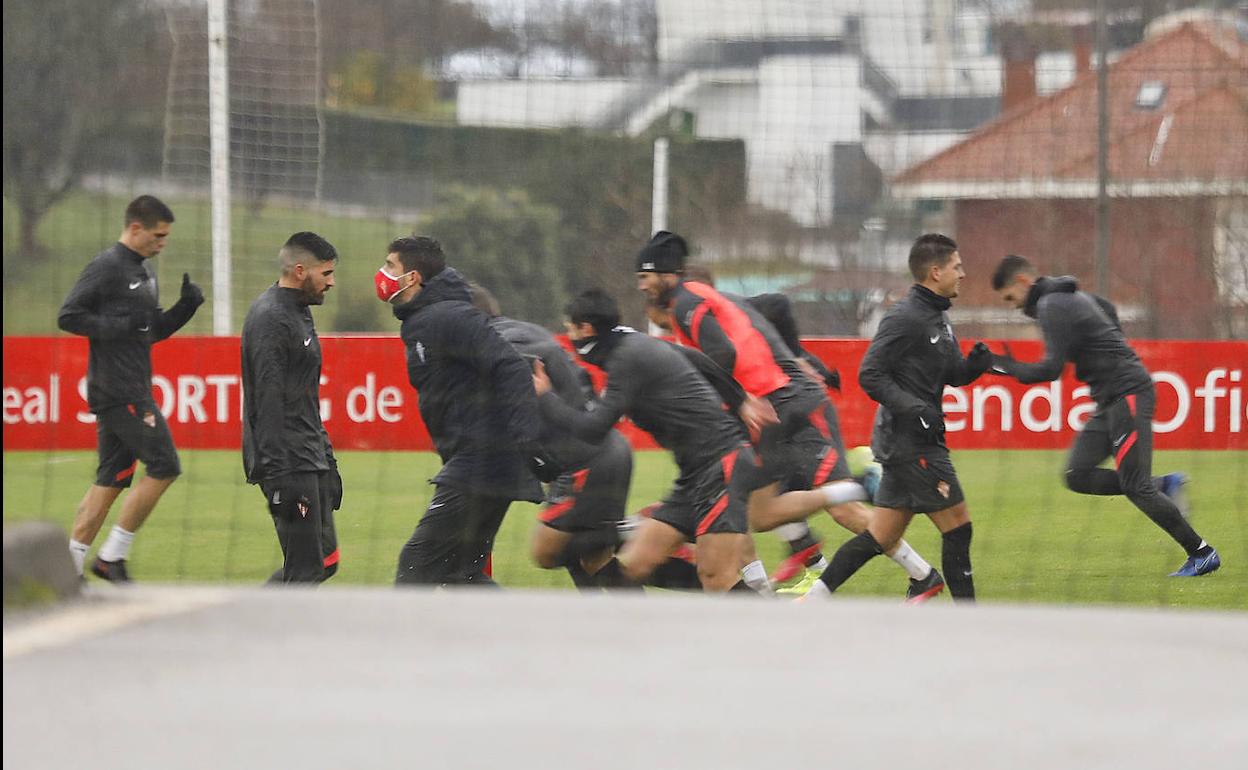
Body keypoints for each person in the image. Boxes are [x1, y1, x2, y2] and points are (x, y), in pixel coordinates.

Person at [637, 232, 943, 601]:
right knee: (753, 510)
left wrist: (750, 391)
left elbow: (734, 346)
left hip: (785, 403)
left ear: (666, 275)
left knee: (834, 510)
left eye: (645, 278)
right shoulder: (709, 305)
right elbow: (763, 323)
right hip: (779, 405)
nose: (642, 290)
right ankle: (768, 586)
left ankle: (872, 513)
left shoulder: (689, 305)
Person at [989, 255, 1220, 577]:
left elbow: (1051, 369)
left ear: (1024, 282)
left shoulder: (1051, 305)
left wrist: (1003, 366)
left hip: (1128, 394)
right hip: (1109, 400)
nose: (1014, 307)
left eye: (1011, 299)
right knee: (1076, 473)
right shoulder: (1072, 296)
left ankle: (1202, 552)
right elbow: (1107, 310)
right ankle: (1165, 484)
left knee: (1136, 486)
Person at [804, 233, 993, 602]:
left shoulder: (937, 316)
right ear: (935, 272)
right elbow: (870, 374)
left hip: (911, 443)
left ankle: (813, 601)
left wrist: (973, 367)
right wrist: (916, 409)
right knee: (958, 528)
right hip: (913, 444)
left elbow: (951, 373)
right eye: (957, 267)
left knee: (880, 536)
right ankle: (972, 621)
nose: (964, 274)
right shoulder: (904, 317)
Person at [535, 289, 761, 592]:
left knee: (716, 576)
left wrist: (545, 398)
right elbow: (692, 356)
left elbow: (594, 429)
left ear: (586, 329)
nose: (568, 335)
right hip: (695, 475)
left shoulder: (624, 359)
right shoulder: (632, 342)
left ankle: (777, 626)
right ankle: (645, 634)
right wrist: (740, 400)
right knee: (635, 565)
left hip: (721, 466)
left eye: (570, 327)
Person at [378, 236, 546, 586]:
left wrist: (526, 439)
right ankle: (525, 637)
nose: (381, 273)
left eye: (390, 266)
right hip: (481, 460)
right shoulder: (425, 318)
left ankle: (396, 640)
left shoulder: (449, 316)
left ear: (412, 278)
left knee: (416, 562)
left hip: (481, 461)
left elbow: (512, 367)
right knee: (460, 574)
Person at [57, 195, 204, 582]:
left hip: (132, 387)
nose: (162, 244)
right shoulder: (106, 267)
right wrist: (119, 327)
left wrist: (184, 309)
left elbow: (149, 332)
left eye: (166, 237)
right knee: (165, 464)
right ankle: (112, 557)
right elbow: (69, 316)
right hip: (118, 391)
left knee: (111, 479)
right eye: (158, 236)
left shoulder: (147, 272)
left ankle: (69, 571)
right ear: (135, 228)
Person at [467, 282, 636, 590]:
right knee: (589, 557)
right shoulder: (524, 331)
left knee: (546, 550)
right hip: (605, 450)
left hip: (585, 462)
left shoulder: (500, 344)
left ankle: (636, 534)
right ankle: (621, 620)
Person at [241, 232, 343, 583]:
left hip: (309, 456)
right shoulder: (270, 317)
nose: (331, 283)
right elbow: (266, 399)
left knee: (325, 561)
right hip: (287, 462)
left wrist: (328, 461)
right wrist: (277, 471)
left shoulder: (299, 311)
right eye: (325, 274)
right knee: (305, 570)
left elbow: (306, 399)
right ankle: (255, 631)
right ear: (300, 271)